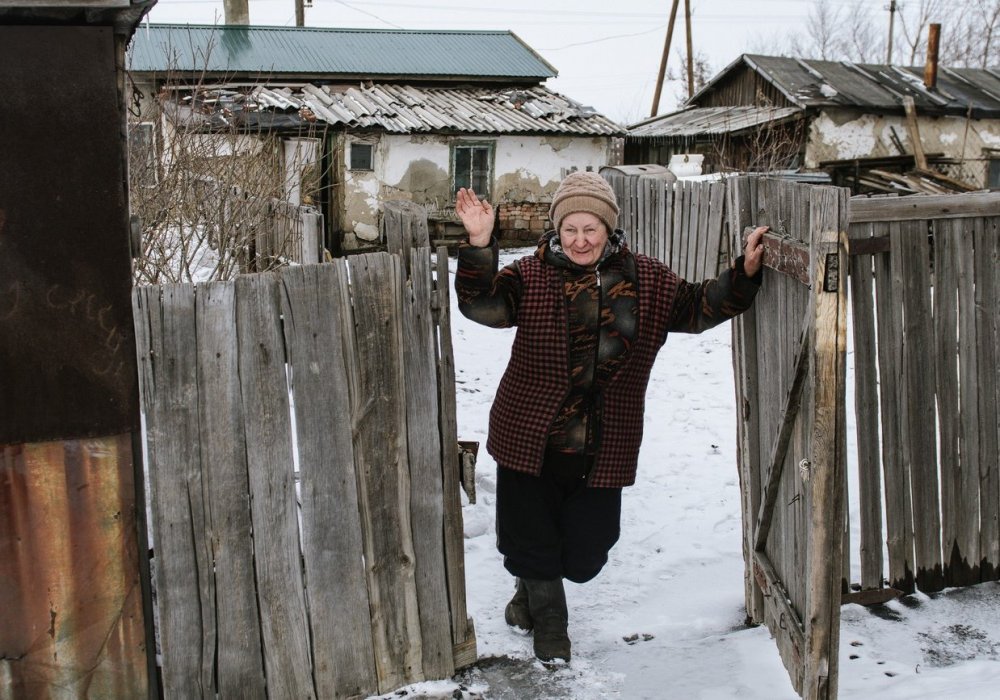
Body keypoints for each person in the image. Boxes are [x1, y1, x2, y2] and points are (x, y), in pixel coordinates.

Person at [453, 171, 766, 664]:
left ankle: (530, 587)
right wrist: (479, 242)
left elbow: (700, 307)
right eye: (570, 229)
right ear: (557, 230)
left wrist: (743, 274)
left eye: (590, 229)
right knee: (532, 537)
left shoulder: (648, 279)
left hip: (604, 441)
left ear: (609, 230)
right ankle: (549, 623)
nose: (579, 240)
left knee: (585, 554)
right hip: (529, 433)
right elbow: (480, 306)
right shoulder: (530, 276)